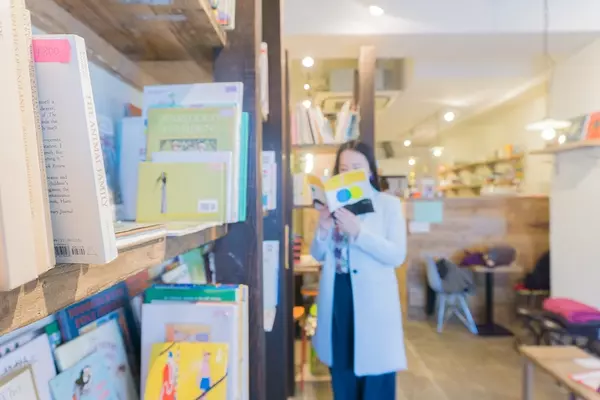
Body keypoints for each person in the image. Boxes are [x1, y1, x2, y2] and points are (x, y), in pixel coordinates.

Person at [311, 140, 407, 400]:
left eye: (356, 167)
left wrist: (359, 232)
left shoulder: (388, 205)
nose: (348, 173)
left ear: (370, 171)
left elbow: (397, 255)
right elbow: (318, 254)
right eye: (343, 168)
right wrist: (322, 227)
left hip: (373, 301)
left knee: (376, 378)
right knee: (342, 372)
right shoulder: (333, 205)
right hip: (337, 297)